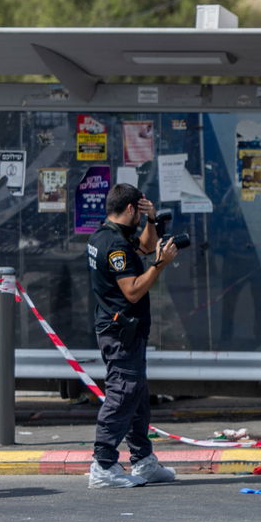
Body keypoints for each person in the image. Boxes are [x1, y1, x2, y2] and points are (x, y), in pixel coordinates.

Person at [85, 184, 178, 489]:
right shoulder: (114, 245)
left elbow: (146, 247)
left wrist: (151, 220)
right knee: (123, 393)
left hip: (127, 329)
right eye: (139, 210)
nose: (141, 216)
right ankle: (103, 465)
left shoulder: (107, 235)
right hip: (120, 331)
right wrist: (160, 264)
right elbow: (133, 290)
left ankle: (143, 461)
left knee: (136, 395)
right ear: (129, 209)